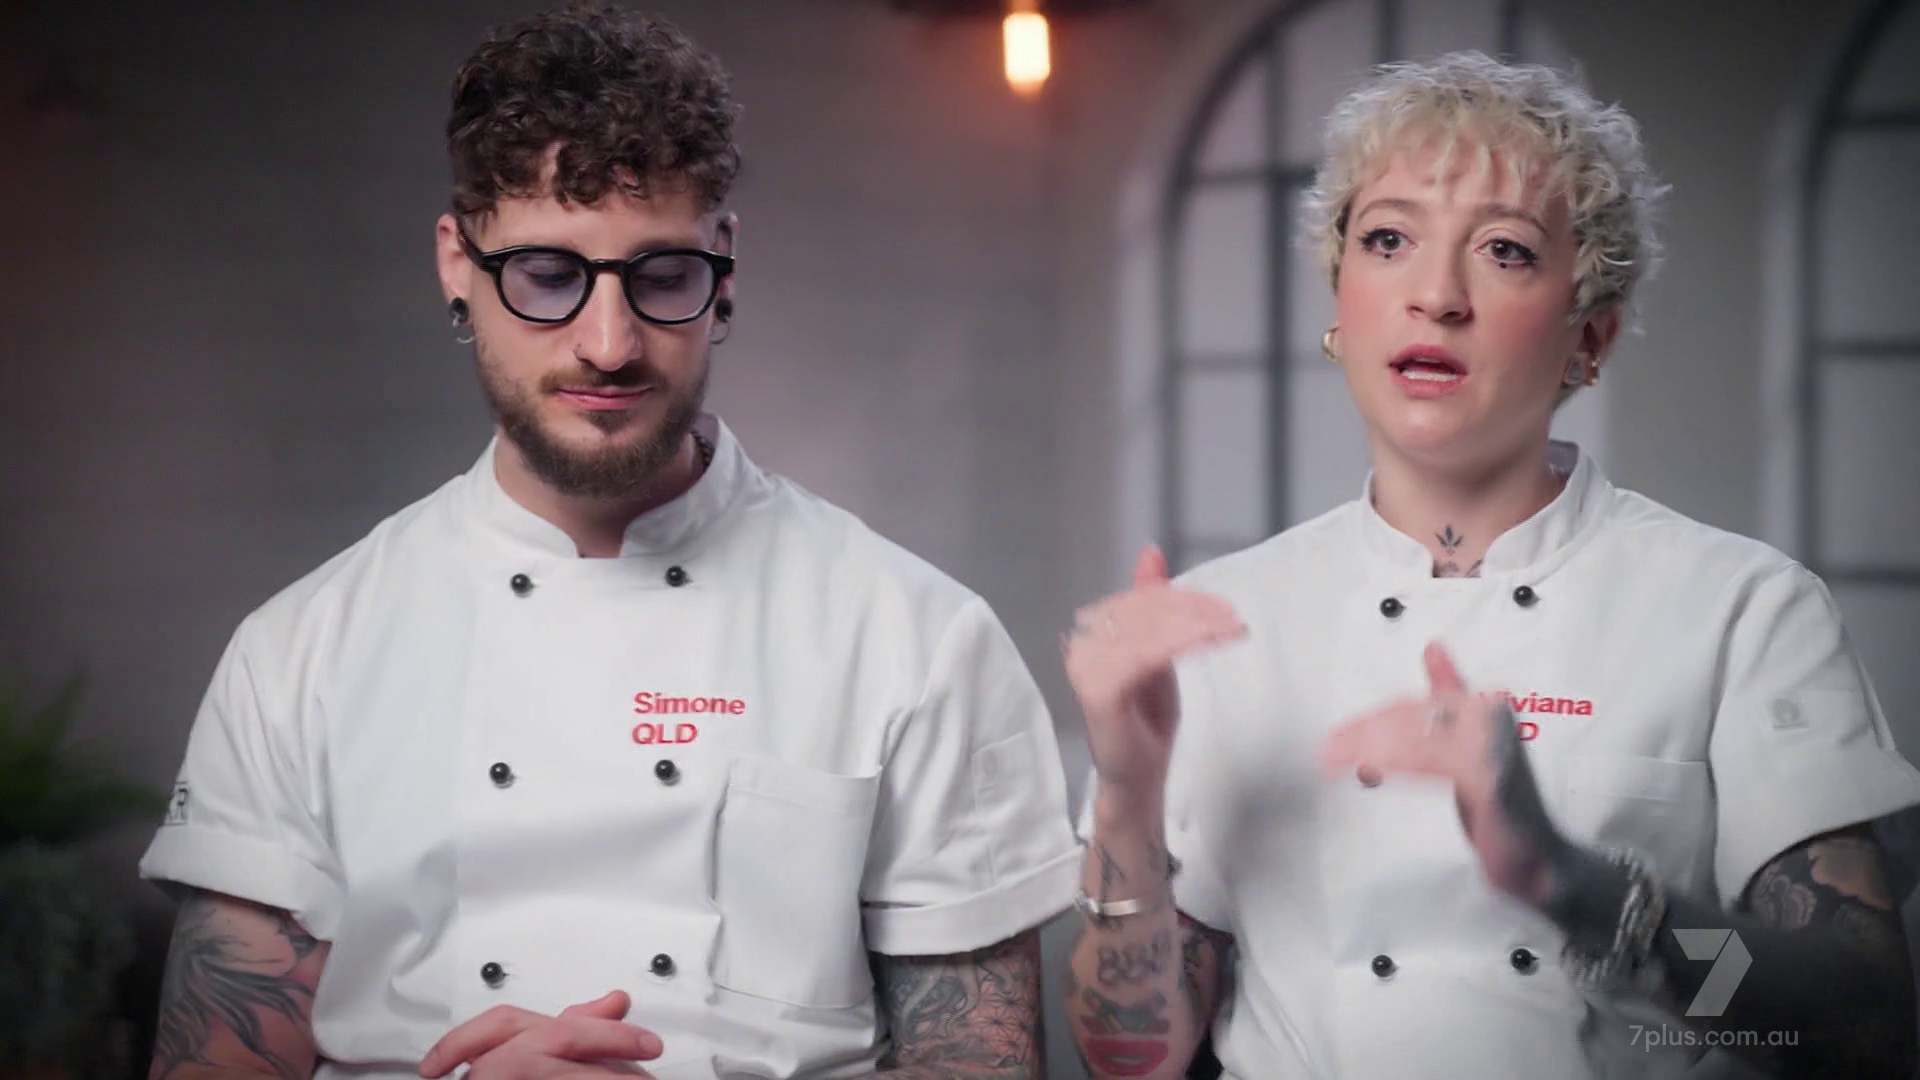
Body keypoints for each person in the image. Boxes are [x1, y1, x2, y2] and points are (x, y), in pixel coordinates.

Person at [137, 7, 1079, 1080]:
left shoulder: (918, 638)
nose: (610, 343)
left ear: (724, 268)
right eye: (548, 275)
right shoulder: (299, 653)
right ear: (456, 264)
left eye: (662, 276)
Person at [1062, 51, 1920, 1080]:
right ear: (1340, 301)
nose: (1435, 296)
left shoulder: (1741, 609)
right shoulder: (1225, 619)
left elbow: (1858, 1031)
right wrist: (1126, 792)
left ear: (1589, 337)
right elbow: (1136, 1057)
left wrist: (1572, 884)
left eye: (1505, 251)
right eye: (1388, 240)